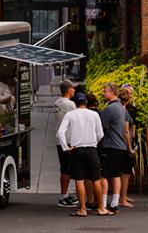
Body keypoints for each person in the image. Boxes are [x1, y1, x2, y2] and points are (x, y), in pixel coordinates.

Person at [57, 92, 112, 216]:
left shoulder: (70, 115)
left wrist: (66, 148)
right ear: (86, 102)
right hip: (91, 149)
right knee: (96, 179)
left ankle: (82, 209)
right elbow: (100, 134)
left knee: (79, 180)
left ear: (75, 103)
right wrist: (94, 142)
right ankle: (101, 208)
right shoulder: (94, 114)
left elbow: (61, 132)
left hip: (76, 149)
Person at [98, 82, 130, 212]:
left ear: (111, 92)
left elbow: (101, 126)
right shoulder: (122, 109)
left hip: (110, 145)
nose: (103, 93)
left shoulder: (110, 109)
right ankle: (114, 203)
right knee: (116, 175)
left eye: (105, 91)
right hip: (121, 146)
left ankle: (104, 203)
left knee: (104, 175)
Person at [54, 80, 78, 208]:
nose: (74, 90)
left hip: (60, 140)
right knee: (68, 169)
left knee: (64, 168)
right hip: (69, 140)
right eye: (73, 88)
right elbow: (76, 121)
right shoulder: (70, 104)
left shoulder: (57, 102)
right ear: (68, 89)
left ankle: (64, 195)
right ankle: (63, 196)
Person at [117, 87, 136, 208]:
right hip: (123, 143)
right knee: (124, 172)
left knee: (125, 172)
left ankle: (122, 196)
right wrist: (130, 146)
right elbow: (127, 131)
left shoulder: (130, 109)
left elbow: (133, 127)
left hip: (123, 142)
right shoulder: (123, 110)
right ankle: (121, 198)